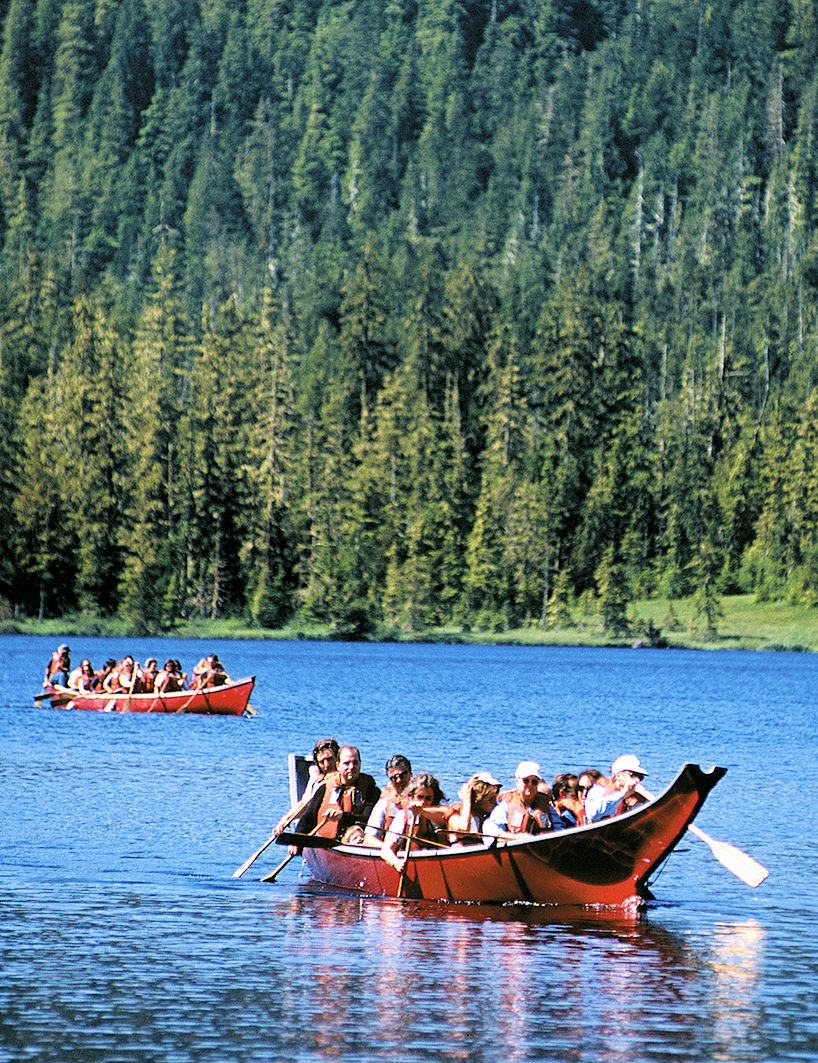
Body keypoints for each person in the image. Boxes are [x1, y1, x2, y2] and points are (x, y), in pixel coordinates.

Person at [296, 745, 381, 843]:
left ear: (360, 764)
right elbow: (308, 817)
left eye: (355, 763)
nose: (351, 767)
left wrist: (343, 817)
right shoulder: (325, 788)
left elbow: (368, 819)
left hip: (354, 841)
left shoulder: (371, 790)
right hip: (325, 842)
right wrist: (296, 841)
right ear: (338, 765)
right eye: (346, 763)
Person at [272, 738, 341, 837]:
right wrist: (286, 819)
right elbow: (305, 803)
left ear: (338, 759)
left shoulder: (345, 777)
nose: (327, 765)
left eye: (330, 759)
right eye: (322, 762)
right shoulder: (318, 780)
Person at [380, 773, 447, 872]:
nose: (423, 802)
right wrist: (396, 863)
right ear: (412, 796)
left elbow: (444, 814)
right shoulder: (403, 816)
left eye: (428, 798)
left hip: (437, 867)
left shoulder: (439, 812)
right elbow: (385, 851)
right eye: (420, 797)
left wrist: (422, 811)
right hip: (412, 868)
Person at [484, 761, 558, 839]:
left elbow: (560, 828)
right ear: (517, 781)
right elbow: (490, 830)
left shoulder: (546, 805)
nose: (530, 785)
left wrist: (550, 834)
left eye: (534, 782)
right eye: (526, 781)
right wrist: (515, 836)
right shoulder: (506, 805)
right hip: (517, 846)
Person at [364, 754, 413, 844]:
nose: (399, 780)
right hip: (390, 852)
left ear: (410, 773)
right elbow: (369, 838)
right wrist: (387, 850)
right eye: (394, 778)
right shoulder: (384, 803)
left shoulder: (425, 799)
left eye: (402, 775)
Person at [584, 755, 648, 822]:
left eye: (640, 777)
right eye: (632, 775)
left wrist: (644, 792)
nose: (637, 780)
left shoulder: (633, 794)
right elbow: (592, 814)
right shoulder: (599, 789)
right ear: (618, 776)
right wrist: (622, 793)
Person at [445, 771, 502, 845]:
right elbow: (462, 831)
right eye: (491, 799)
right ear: (479, 800)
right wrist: (466, 800)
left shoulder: (487, 816)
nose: (496, 804)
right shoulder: (456, 812)